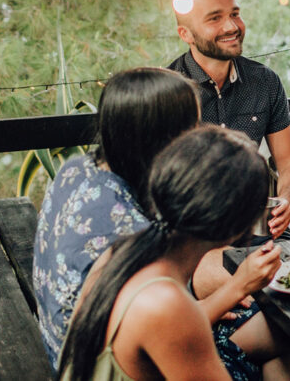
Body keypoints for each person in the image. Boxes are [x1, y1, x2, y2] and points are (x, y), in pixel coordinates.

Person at [60, 126, 290, 381]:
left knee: (286, 337)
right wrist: (238, 286)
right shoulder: (167, 304)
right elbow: (171, 321)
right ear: (235, 228)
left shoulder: (124, 250)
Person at [33, 67, 200, 366]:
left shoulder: (78, 168)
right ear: (162, 139)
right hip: (88, 363)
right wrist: (233, 290)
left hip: (53, 336)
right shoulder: (130, 232)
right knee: (277, 336)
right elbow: (144, 332)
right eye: (193, 128)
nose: (199, 138)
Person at [168, 0, 290, 242]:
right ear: (185, 34)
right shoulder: (168, 92)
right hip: (193, 240)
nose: (232, 26)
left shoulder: (264, 81)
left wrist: (286, 200)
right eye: (214, 18)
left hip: (259, 230)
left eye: (235, 14)